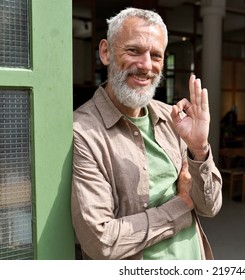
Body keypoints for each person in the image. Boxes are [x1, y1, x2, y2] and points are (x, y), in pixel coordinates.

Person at [71, 7, 223, 260]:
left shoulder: (172, 118)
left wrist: (199, 149)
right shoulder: (83, 132)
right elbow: (100, 242)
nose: (146, 66)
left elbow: (210, 206)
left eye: (156, 55)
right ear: (106, 52)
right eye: (133, 50)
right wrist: (182, 205)